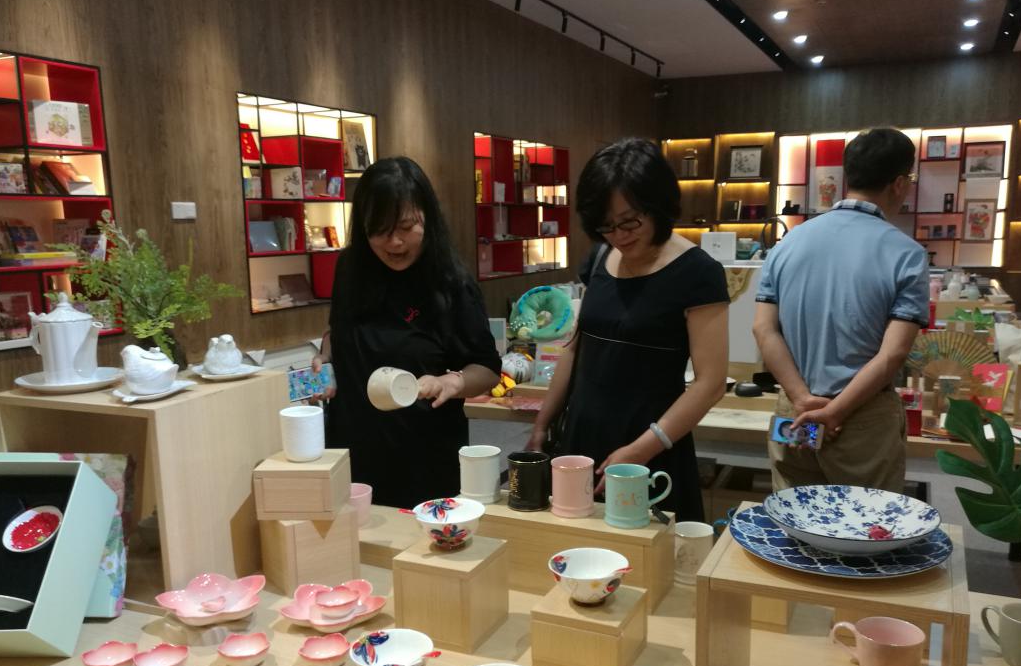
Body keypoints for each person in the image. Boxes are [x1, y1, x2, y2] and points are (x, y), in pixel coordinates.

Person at [527, 138, 729, 523]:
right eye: (606, 226)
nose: (619, 235)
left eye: (630, 221)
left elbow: (711, 383)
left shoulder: (698, 273)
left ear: (658, 205)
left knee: (648, 549)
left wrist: (640, 450)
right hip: (581, 435)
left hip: (652, 443)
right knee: (573, 542)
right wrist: (542, 425)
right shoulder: (601, 258)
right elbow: (576, 347)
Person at [312, 157, 500, 508]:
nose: (395, 242)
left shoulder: (450, 283)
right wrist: (326, 357)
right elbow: (341, 330)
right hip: (350, 452)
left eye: (406, 227)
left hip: (422, 458)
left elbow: (487, 369)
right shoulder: (350, 268)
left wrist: (450, 382)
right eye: (379, 230)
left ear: (427, 218)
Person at [752, 127, 929, 492]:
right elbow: (893, 353)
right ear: (899, 184)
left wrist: (801, 399)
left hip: (795, 413)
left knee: (794, 515)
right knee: (865, 519)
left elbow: (763, 329)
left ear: (849, 176)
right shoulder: (906, 254)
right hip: (860, 418)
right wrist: (835, 411)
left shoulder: (788, 243)